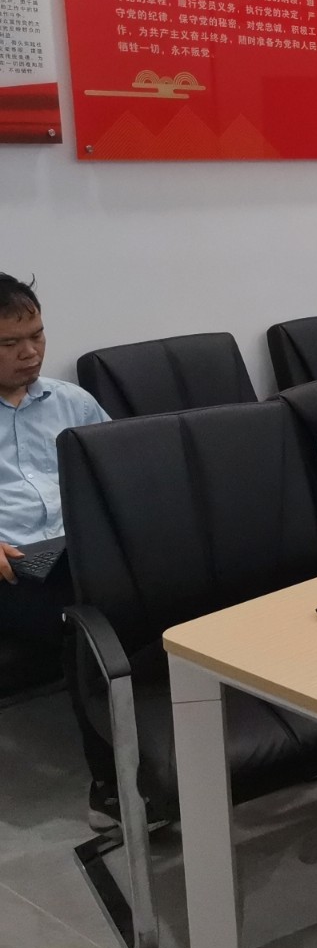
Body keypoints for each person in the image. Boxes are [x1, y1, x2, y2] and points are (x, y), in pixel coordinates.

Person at [0, 273, 119, 828]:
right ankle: (112, 784)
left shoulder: (72, 402)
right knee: (85, 623)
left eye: (38, 336)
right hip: (14, 568)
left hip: (84, 550)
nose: (31, 353)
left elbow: (121, 471)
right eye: (9, 343)